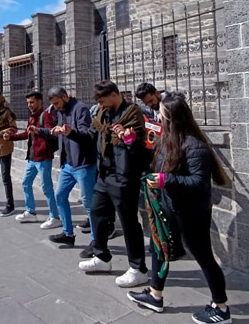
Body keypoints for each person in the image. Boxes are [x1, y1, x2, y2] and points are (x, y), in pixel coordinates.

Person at [127, 90, 232, 324]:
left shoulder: (196, 147)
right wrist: (130, 142)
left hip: (192, 211)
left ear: (172, 117)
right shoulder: (167, 140)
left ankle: (221, 307)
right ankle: (155, 295)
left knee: (203, 256)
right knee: (158, 248)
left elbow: (198, 183)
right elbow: (152, 158)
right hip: (169, 206)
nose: (158, 118)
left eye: (162, 115)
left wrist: (166, 181)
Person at [77, 81, 150, 288]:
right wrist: (70, 133)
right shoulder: (103, 114)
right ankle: (102, 258)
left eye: (102, 100)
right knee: (97, 213)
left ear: (114, 95)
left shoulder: (133, 113)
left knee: (128, 223)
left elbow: (140, 149)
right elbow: (92, 135)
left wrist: (128, 138)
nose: (100, 105)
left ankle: (138, 269)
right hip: (104, 174)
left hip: (124, 176)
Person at [32, 86, 96, 249]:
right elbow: (56, 131)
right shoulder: (60, 111)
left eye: (57, 103)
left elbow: (86, 135)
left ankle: (96, 241)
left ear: (64, 96)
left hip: (83, 163)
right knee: (60, 195)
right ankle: (68, 234)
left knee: (89, 204)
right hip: (68, 164)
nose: (56, 107)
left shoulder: (80, 108)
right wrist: (39, 131)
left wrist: (70, 132)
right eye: (54, 104)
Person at [135, 82, 185, 260]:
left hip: (173, 158)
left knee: (169, 207)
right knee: (160, 206)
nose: (150, 105)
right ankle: (164, 244)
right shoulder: (147, 109)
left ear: (157, 93)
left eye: (151, 101)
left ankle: (175, 247)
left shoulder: (173, 103)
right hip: (158, 156)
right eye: (146, 103)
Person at [7, 91, 61, 228]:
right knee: (25, 182)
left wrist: (38, 130)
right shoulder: (31, 117)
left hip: (43, 157)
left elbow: (50, 132)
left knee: (47, 188)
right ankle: (30, 211)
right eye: (28, 103)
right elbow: (27, 133)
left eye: (32, 102)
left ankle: (54, 217)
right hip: (32, 158)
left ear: (39, 101)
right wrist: (11, 137)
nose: (29, 105)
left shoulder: (46, 115)